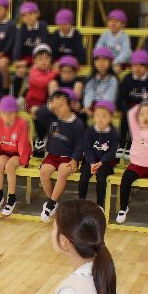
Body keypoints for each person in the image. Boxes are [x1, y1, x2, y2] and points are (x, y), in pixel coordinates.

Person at [40, 90, 86, 222]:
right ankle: (52, 202)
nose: (57, 109)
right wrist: (50, 106)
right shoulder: (52, 118)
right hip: (53, 155)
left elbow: (80, 144)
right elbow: (39, 114)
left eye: (61, 105)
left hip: (68, 157)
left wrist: (75, 159)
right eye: (55, 106)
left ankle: (50, 204)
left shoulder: (77, 123)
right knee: (43, 172)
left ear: (69, 105)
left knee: (62, 172)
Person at [0, 96, 32, 216]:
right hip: (5, 151)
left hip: (18, 153)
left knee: (9, 166)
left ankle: (11, 199)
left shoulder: (22, 123)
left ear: (16, 113)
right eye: (4, 113)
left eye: (11, 113)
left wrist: (24, 161)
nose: (7, 116)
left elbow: (23, 144)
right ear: (0, 113)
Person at [116, 49, 148, 158]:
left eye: (141, 65)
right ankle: (121, 144)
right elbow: (120, 98)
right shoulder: (127, 78)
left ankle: (131, 144)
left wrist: (143, 111)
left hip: (144, 109)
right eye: (135, 65)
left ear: (147, 67)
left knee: (139, 118)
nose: (137, 68)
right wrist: (124, 109)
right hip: (129, 107)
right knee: (125, 116)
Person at [78, 100, 119, 207]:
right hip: (89, 162)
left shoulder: (113, 133)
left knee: (101, 178)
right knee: (83, 177)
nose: (100, 119)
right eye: (97, 115)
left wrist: (101, 162)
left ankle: (100, 205)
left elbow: (111, 151)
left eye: (104, 116)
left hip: (106, 163)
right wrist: (92, 162)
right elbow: (87, 149)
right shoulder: (89, 131)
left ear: (110, 118)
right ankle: (81, 202)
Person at [82, 47, 119, 116]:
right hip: (91, 105)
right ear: (94, 62)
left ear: (110, 62)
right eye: (97, 60)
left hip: (106, 106)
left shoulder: (113, 80)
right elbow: (88, 94)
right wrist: (87, 107)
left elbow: (109, 98)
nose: (101, 63)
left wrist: (99, 111)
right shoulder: (90, 78)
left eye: (105, 59)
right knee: (82, 115)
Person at [22, 43, 57, 114]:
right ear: (34, 61)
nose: (43, 61)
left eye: (47, 58)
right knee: (36, 110)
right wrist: (55, 72)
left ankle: (54, 106)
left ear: (51, 59)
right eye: (40, 59)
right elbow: (42, 83)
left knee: (53, 83)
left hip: (44, 102)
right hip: (32, 102)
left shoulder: (49, 71)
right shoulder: (33, 72)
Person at [96, 9, 131, 74]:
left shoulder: (124, 36)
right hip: (106, 60)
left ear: (123, 24)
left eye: (116, 21)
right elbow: (98, 47)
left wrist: (115, 61)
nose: (113, 23)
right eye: (111, 21)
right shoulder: (105, 34)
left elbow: (126, 52)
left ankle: (112, 83)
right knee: (99, 67)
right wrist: (102, 58)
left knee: (115, 69)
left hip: (119, 61)